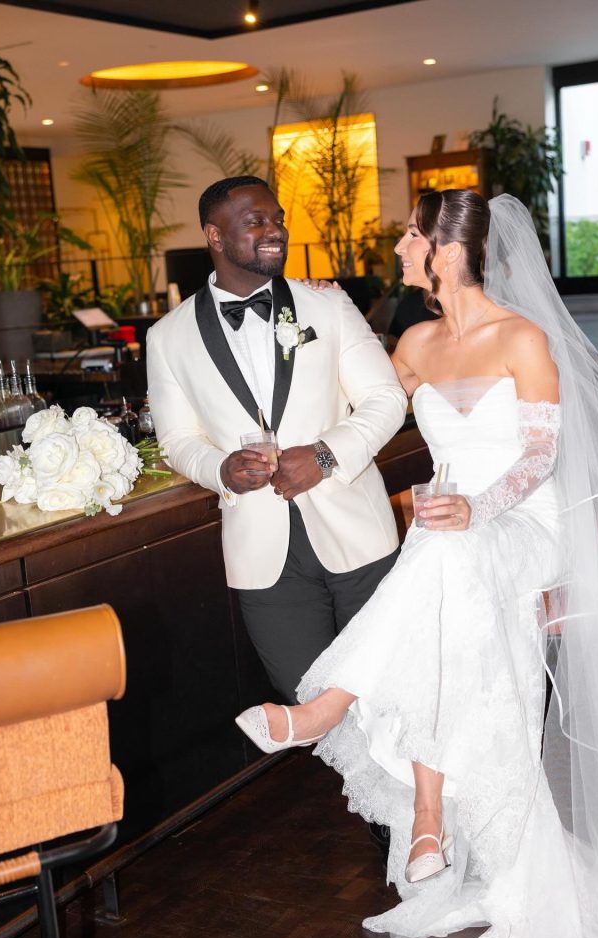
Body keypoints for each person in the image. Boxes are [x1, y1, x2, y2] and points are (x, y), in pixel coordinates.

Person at [236, 190, 598, 938]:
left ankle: (329, 710)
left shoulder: (523, 339)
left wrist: (480, 507)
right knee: (441, 559)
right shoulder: (416, 341)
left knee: (444, 546)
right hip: (451, 538)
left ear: (444, 248)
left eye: (408, 235)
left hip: (522, 523)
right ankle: (428, 815)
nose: (396, 246)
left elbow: (543, 454)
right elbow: (363, 410)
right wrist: (313, 330)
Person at [147, 176, 407, 704]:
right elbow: (176, 438)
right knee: (308, 698)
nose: (276, 231)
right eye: (256, 222)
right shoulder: (167, 336)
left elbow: (386, 398)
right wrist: (220, 469)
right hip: (262, 556)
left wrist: (325, 455)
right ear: (214, 237)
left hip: (359, 535)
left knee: (392, 690)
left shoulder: (328, 306)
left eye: (278, 219)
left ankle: (413, 790)